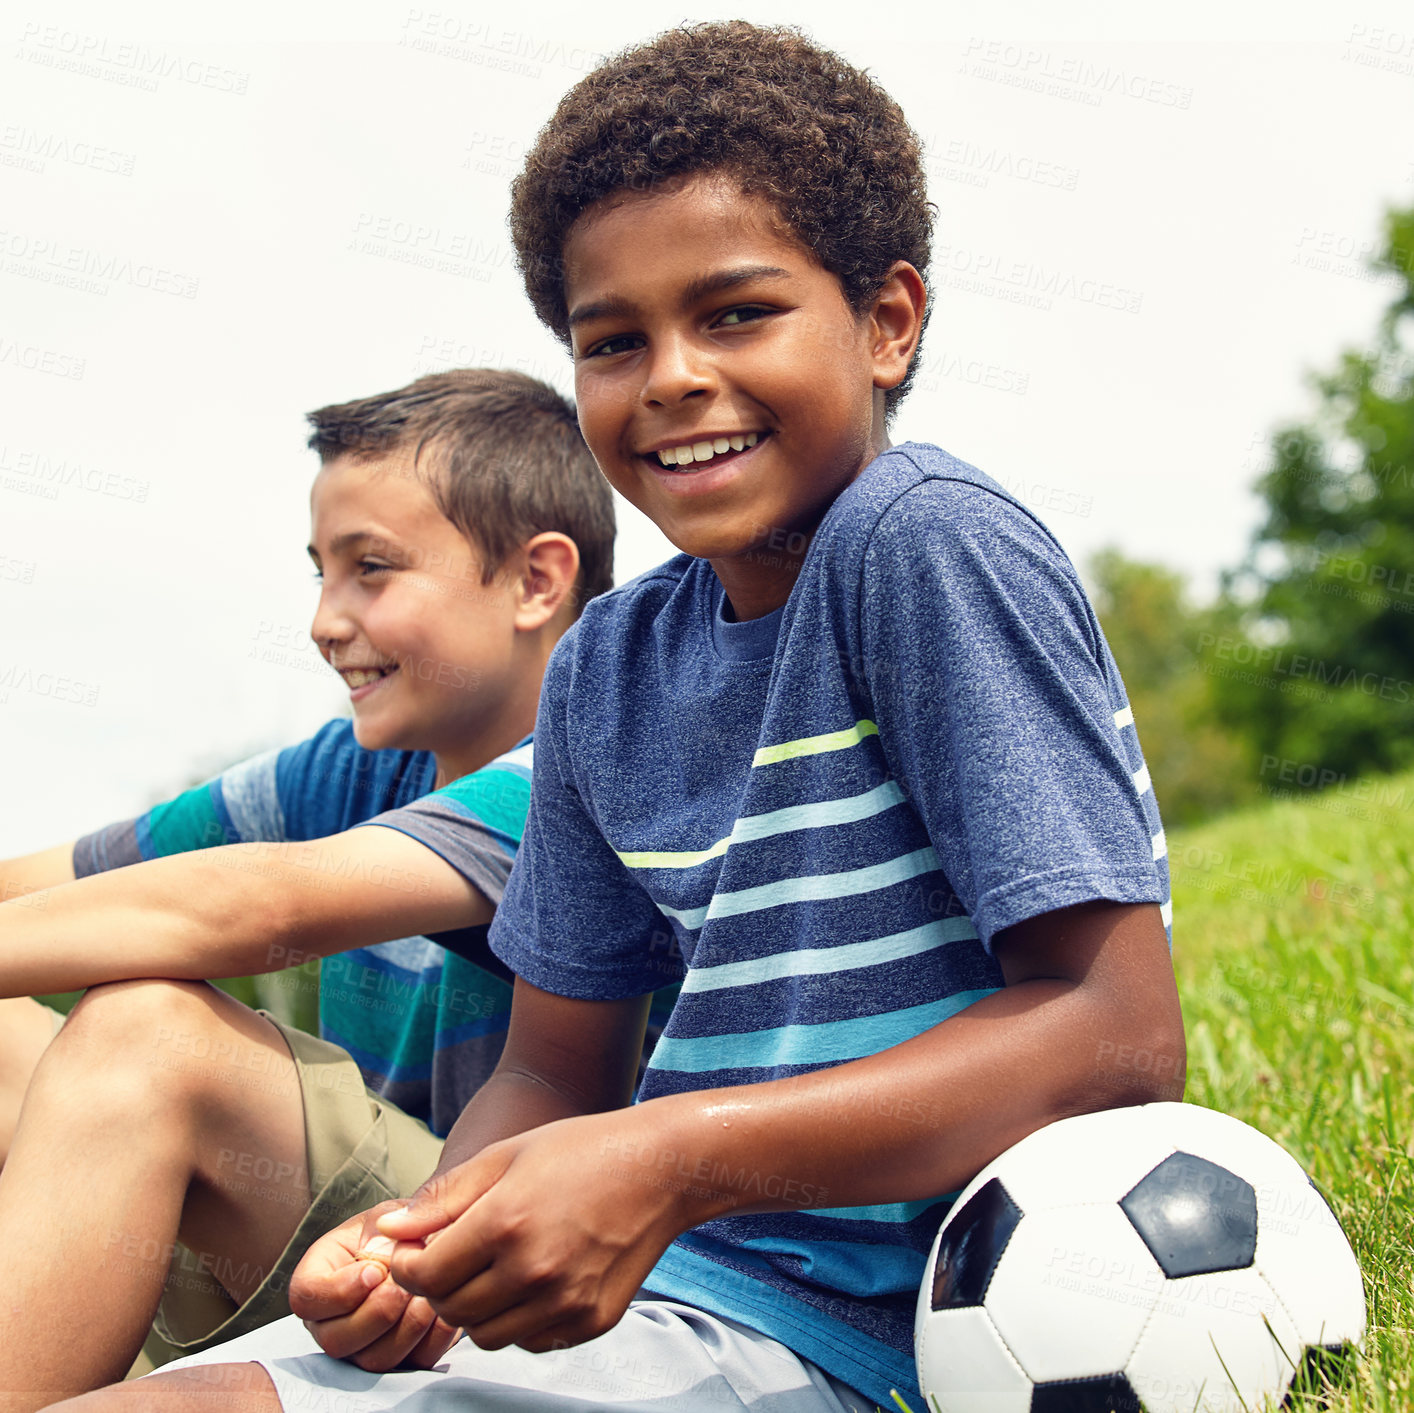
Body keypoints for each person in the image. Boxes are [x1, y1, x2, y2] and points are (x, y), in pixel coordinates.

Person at [57, 21, 1185, 1413]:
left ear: (887, 322)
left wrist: (664, 1161)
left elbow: (1112, 1033)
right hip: (638, 1294)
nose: (669, 377)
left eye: (734, 313)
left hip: (838, 1334)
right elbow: (548, 1065)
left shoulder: (919, 543)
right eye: (611, 339)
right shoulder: (609, 666)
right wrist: (426, 1243)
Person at [0, 368, 630, 1405]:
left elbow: (254, 907)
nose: (325, 622)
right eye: (320, 574)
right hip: (332, 1242)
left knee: (147, 1034)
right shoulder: (355, 767)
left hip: (503, 1261)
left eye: (371, 571)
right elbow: (46, 887)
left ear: (535, 581)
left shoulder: (590, 768)